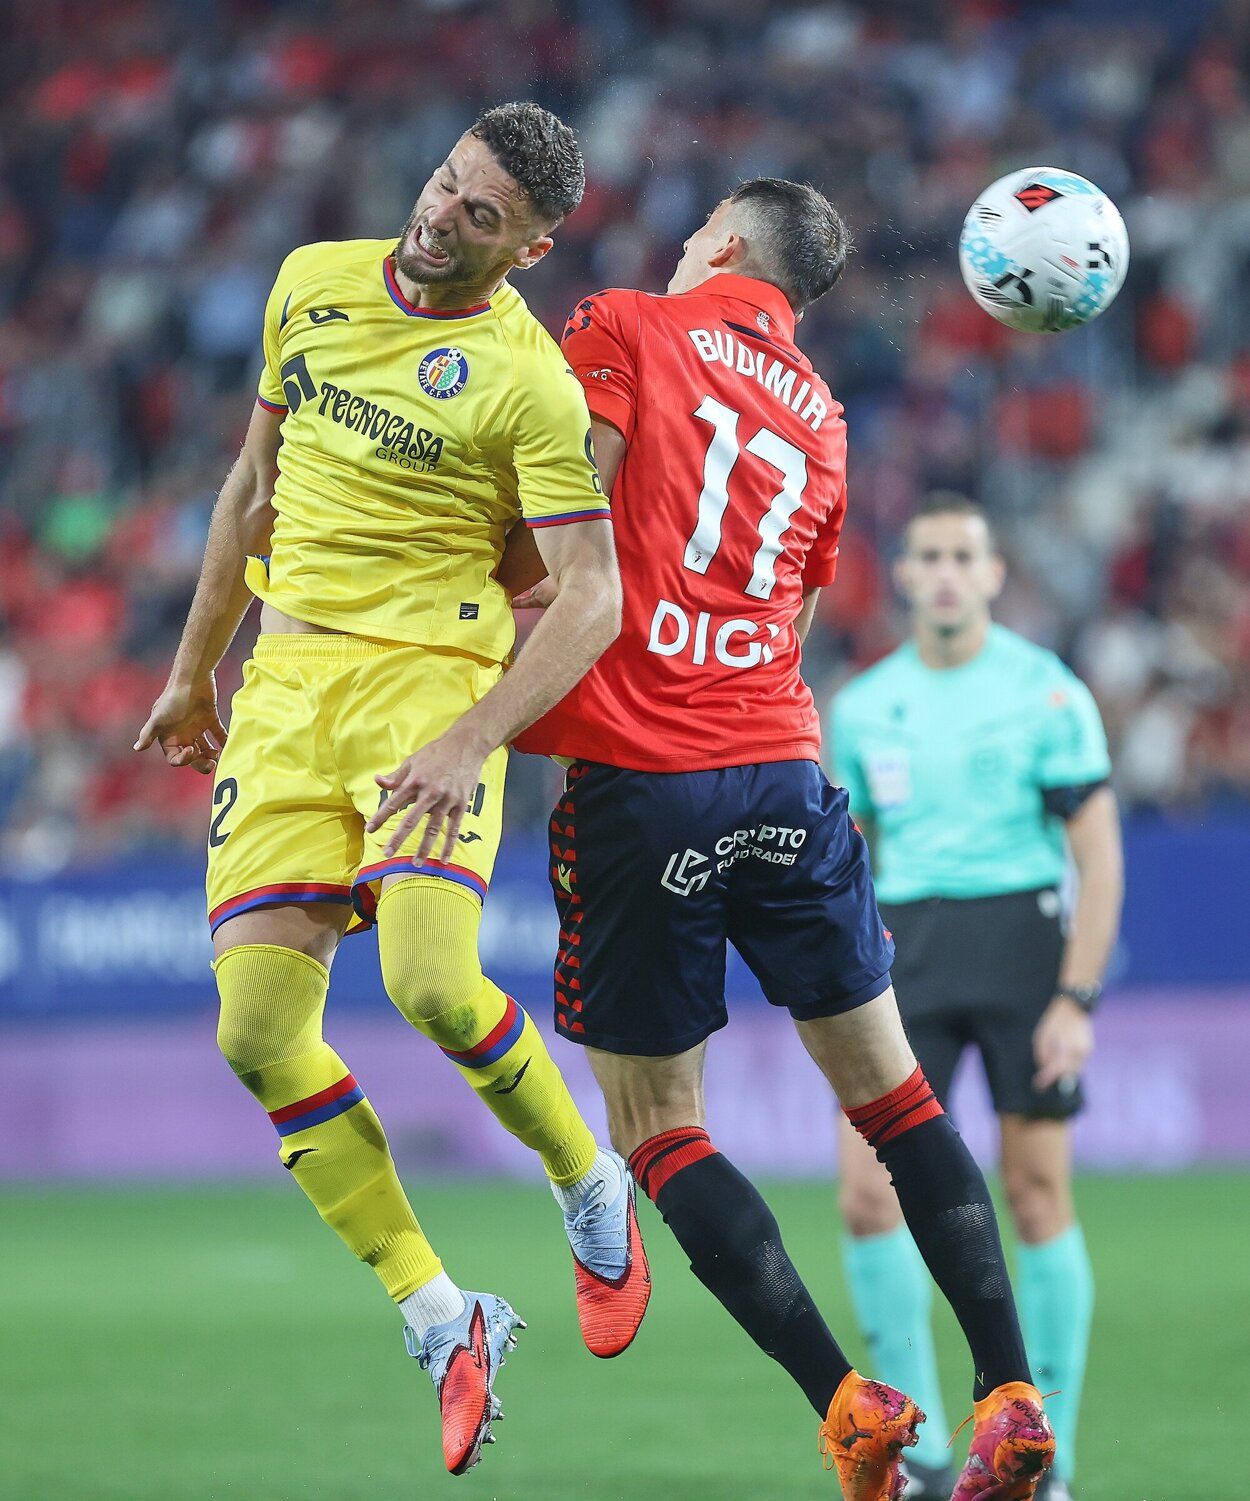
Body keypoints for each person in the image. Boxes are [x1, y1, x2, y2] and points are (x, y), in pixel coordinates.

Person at [513, 180, 1055, 1501]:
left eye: (697, 220)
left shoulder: (623, 323)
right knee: (896, 1100)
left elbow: (565, 545)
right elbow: (799, 613)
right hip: (781, 766)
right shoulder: (822, 415)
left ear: (728, 245)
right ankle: (1009, 1396)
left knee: (654, 1124)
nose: (681, 234)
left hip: (645, 780)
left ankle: (848, 1408)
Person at [134, 101, 650, 1479]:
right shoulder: (309, 280)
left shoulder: (527, 384)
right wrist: (196, 673)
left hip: (429, 690)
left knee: (431, 980)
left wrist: (476, 733)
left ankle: (587, 1178)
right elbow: (251, 483)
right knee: (255, 1032)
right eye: (441, 185)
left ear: (529, 247)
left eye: (479, 217)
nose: (439, 218)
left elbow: (586, 593)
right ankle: (444, 1315)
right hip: (288, 694)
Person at [829, 495, 1123, 1501]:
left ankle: (1046, 1460)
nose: (946, 571)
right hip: (901, 954)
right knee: (869, 1195)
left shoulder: (1047, 694)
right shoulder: (864, 705)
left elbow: (1097, 857)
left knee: (1034, 1192)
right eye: (928, 555)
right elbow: (845, 862)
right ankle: (910, 1457)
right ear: (902, 575)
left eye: (964, 555)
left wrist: (1074, 998)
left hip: (1018, 951)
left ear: (994, 574)